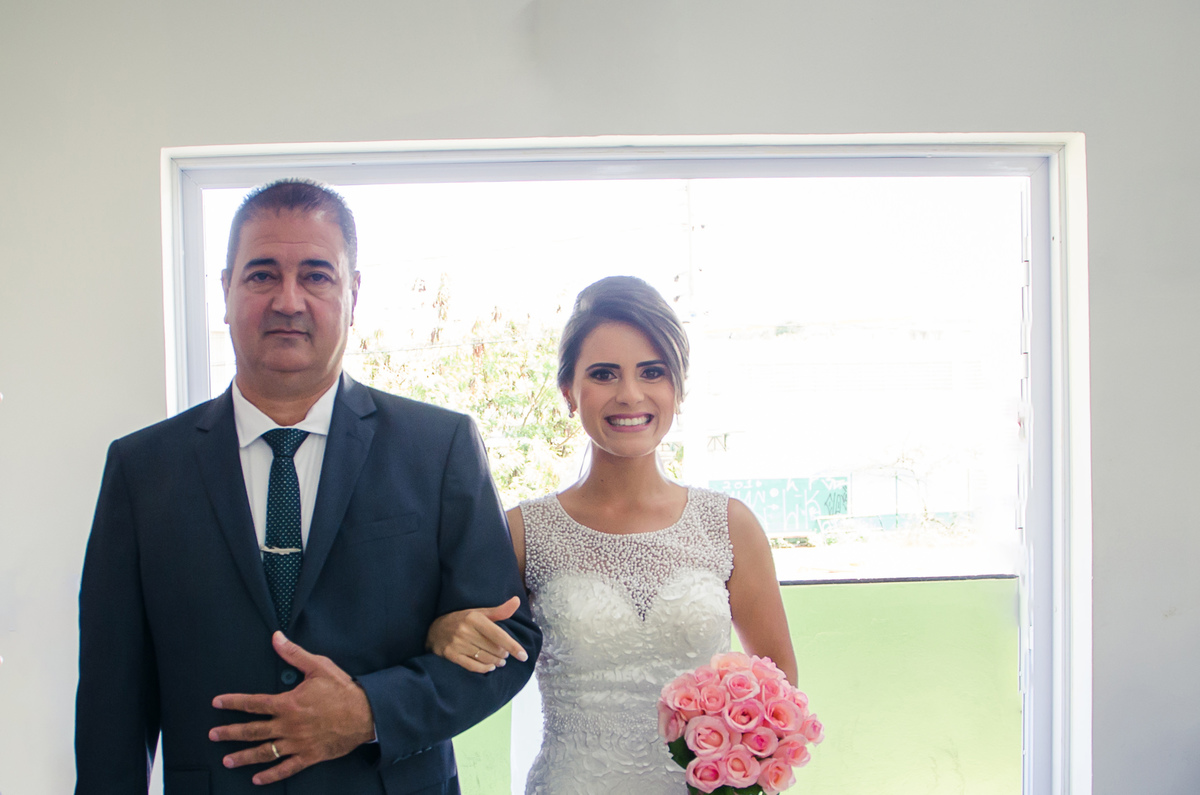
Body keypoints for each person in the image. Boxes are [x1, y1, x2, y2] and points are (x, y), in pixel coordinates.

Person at [75, 179, 540, 794]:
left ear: (352, 293)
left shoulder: (438, 446)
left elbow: (506, 643)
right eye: (262, 275)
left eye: (317, 276)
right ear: (225, 292)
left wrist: (371, 711)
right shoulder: (142, 469)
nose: (288, 300)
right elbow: (112, 697)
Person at [426, 276, 797, 793]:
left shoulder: (731, 525)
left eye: (653, 372)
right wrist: (441, 631)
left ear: (677, 389)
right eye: (603, 374)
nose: (630, 394)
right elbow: (461, 644)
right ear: (568, 393)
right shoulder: (521, 531)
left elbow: (780, 695)